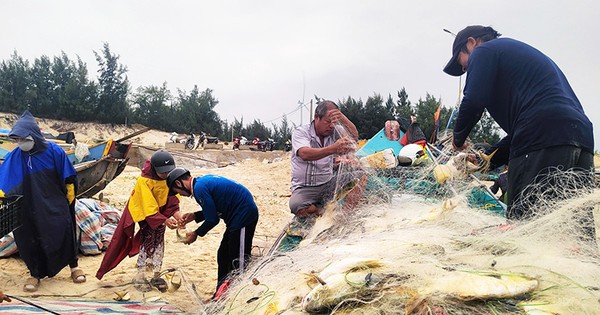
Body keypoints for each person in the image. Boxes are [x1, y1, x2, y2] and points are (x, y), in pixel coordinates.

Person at [443, 25, 595, 220]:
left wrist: (458, 138)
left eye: (464, 65)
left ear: (471, 43)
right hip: (580, 135)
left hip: (542, 134)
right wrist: (485, 160)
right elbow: (526, 129)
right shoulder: (520, 59)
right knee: (575, 227)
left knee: (526, 226)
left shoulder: (483, 51)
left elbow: (473, 100)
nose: (466, 70)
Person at [0, 110, 85, 292]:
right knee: (28, 236)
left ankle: (74, 266)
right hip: (27, 206)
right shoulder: (15, 157)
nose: (21, 143)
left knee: (64, 228)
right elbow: (4, 182)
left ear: (34, 135)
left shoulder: (54, 151)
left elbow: (69, 175)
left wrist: (70, 192)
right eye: (18, 139)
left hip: (54, 201)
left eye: (24, 138)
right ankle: (35, 274)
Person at [166, 167, 259, 298]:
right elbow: (215, 208)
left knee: (238, 260)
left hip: (243, 216)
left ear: (178, 183)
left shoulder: (199, 189)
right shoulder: (201, 183)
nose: (179, 194)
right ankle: (220, 294)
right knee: (223, 254)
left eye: (176, 191)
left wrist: (196, 233)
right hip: (235, 218)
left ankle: (239, 296)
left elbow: (212, 219)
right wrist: (195, 216)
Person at [96, 150, 181, 292]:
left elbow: (173, 200)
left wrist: (179, 216)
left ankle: (155, 274)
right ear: (154, 169)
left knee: (159, 243)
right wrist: (164, 220)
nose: (166, 175)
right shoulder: (145, 180)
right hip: (146, 216)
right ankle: (140, 274)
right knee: (147, 242)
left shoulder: (168, 179)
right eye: (163, 173)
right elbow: (148, 206)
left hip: (160, 216)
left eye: (168, 172)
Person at [289, 100, 366, 217]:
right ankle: (321, 212)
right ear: (316, 118)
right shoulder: (301, 132)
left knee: (362, 177)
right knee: (296, 206)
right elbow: (304, 153)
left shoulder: (334, 130)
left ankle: (345, 215)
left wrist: (342, 118)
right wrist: (333, 149)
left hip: (328, 183)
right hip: (305, 188)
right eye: (328, 121)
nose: (331, 126)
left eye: (334, 122)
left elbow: (354, 136)